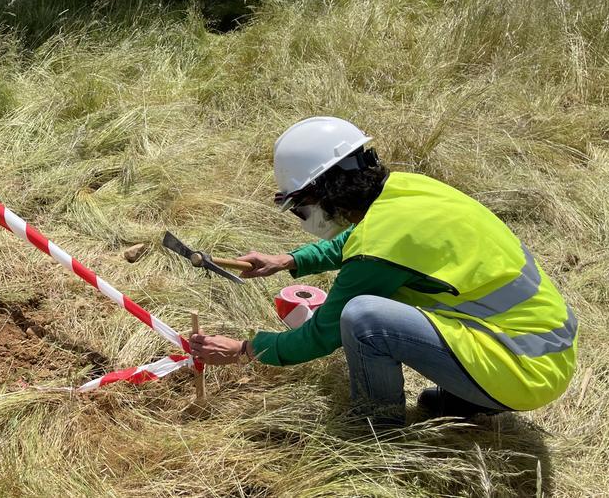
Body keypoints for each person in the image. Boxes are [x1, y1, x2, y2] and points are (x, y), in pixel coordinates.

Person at [189, 116, 577, 426]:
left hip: (524, 369)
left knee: (364, 319)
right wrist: (289, 260)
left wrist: (244, 349)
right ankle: (468, 395)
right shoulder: (407, 190)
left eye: (300, 207)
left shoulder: (378, 248)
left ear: (326, 192)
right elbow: (364, 239)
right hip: (545, 349)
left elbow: (320, 336)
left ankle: (377, 426)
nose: (300, 218)